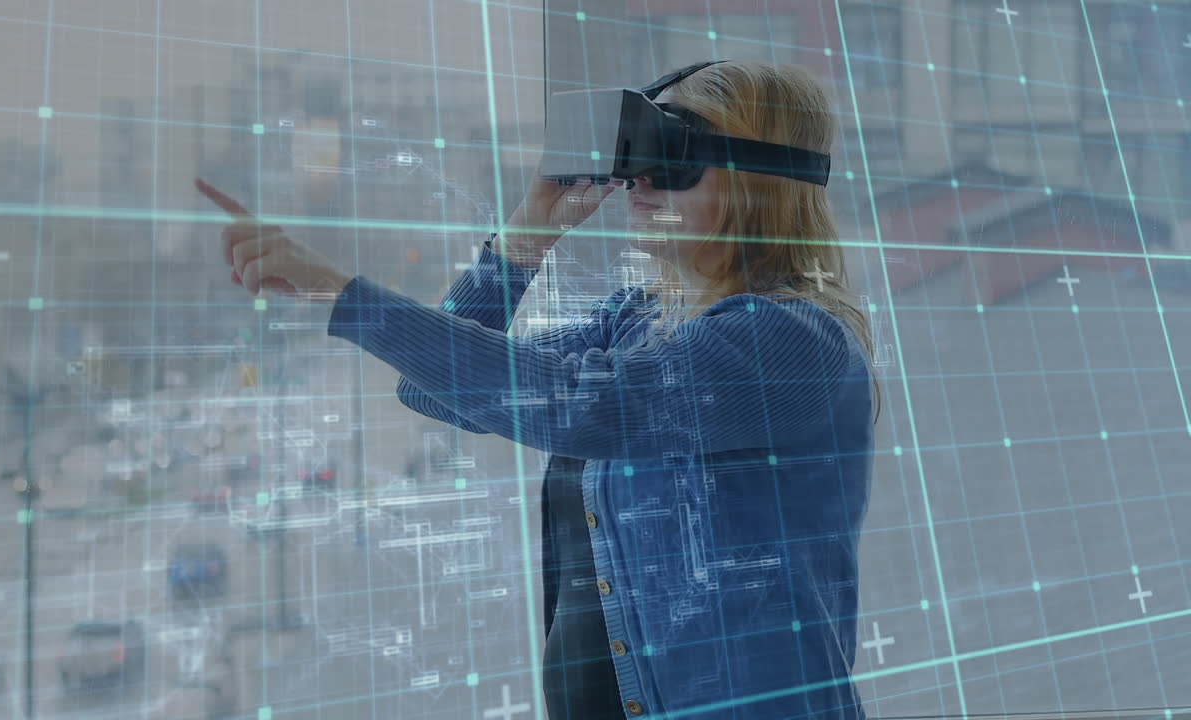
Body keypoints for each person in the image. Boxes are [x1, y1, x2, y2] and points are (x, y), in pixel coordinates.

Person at [198, 59, 880, 720]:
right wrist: (530, 229)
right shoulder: (635, 319)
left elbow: (570, 404)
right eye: (638, 154)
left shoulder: (794, 339)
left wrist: (336, 291)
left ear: (761, 181)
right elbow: (435, 391)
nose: (641, 180)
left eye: (674, 154)